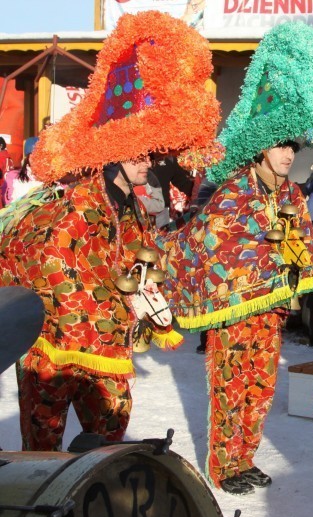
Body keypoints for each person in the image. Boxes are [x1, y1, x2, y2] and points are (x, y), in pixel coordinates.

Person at [0, 11, 219, 452]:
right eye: (141, 153)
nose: (150, 161)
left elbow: (143, 260)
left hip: (110, 352)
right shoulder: (75, 205)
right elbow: (53, 268)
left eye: (153, 153)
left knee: (109, 445)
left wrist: (154, 302)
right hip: (56, 355)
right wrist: (114, 299)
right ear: (114, 154)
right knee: (41, 455)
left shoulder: (135, 209)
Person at [158, 21, 313, 495]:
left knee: (260, 388)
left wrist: (293, 266)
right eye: (282, 144)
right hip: (237, 311)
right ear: (261, 145)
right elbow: (212, 241)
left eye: (294, 146)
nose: (288, 154)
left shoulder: (294, 196)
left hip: (272, 312)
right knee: (229, 387)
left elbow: (303, 242)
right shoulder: (234, 191)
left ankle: (245, 458)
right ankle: (223, 466)